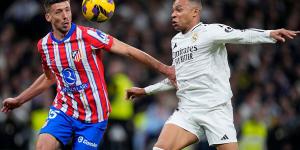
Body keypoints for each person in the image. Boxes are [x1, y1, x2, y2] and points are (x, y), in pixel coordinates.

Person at [0, 0, 175, 150]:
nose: (65, 16)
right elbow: (50, 76)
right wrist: (20, 100)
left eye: (67, 10)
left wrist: (165, 69)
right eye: (59, 12)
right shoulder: (44, 45)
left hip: (94, 116)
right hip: (64, 109)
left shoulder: (88, 36)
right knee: (42, 146)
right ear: (48, 17)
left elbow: (128, 51)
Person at [126, 0, 300, 150]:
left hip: (216, 109)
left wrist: (269, 34)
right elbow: (176, 77)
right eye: (172, 10)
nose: (173, 14)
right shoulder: (176, 41)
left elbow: (242, 35)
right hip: (188, 110)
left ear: (195, 12)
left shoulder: (210, 32)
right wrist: (145, 90)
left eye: (178, 9)